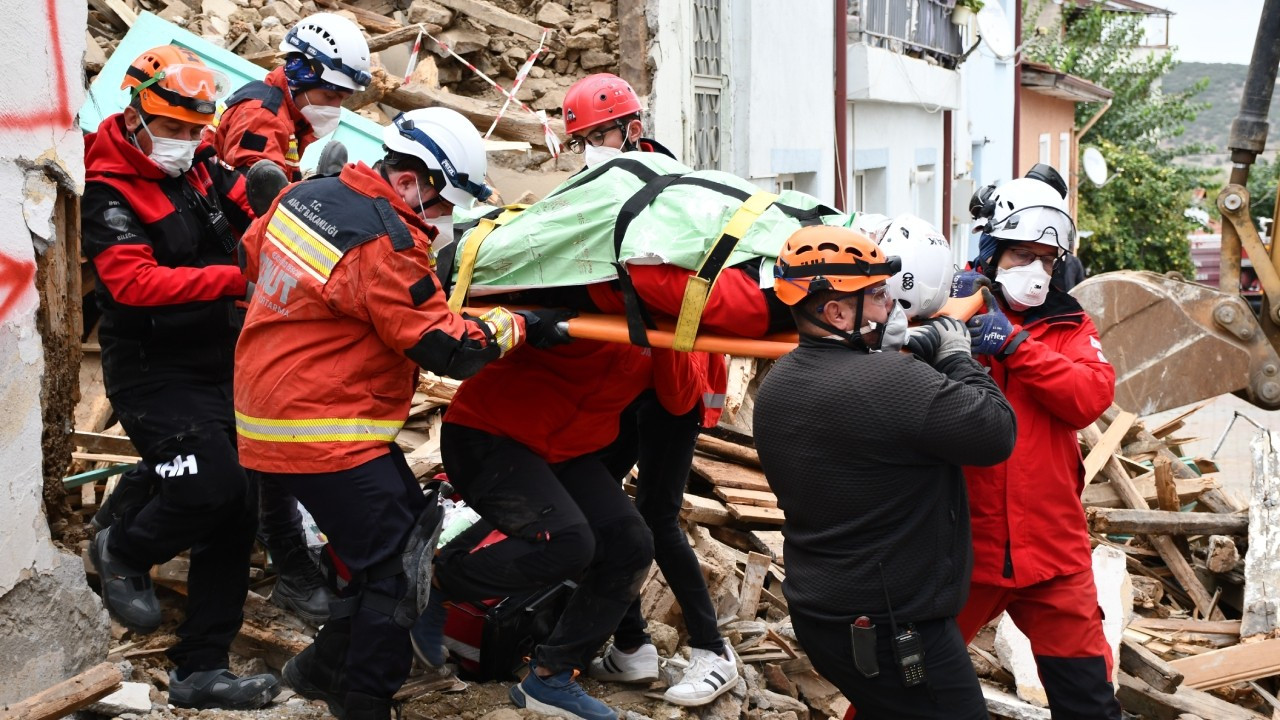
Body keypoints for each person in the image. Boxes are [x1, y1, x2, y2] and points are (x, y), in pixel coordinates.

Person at [234, 107, 565, 720]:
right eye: (443, 208)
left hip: (273, 409)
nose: (440, 223)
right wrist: (518, 325)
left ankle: (324, 665)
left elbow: (252, 260)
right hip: (322, 425)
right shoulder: (387, 241)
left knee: (402, 532)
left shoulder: (307, 195)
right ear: (415, 181)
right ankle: (363, 700)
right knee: (397, 567)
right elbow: (446, 348)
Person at [752, 226, 1017, 720]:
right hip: (896, 629)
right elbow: (995, 431)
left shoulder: (778, 385)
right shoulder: (891, 382)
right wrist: (958, 354)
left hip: (826, 615)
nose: (889, 305)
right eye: (875, 295)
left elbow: (865, 402)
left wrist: (906, 355)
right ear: (834, 311)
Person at [82, 46, 279, 709]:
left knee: (236, 509)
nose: (186, 142)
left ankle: (201, 669)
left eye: (195, 130)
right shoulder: (107, 189)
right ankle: (124, 547)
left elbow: (250, 213)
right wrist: (240, 281)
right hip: (154, 370)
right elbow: (132, 283)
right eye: (172, 129)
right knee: (211, 485)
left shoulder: (198, 166)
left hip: (222, 360)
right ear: (135, 116)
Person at [551, 72, 741, 706]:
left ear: (632, 128)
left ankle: (714, 652)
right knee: (594, 501)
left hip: (672, 381)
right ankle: (631, 645)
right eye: (584, 140)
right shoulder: (600, 188)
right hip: (627, 377)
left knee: (655, 515)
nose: (593, 150)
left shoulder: (673, 191)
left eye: (601, 135)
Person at [953, 176, 1122, 720]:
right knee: (902, 690)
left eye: (1047, 260)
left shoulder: (1069, 323)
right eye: (1023, 254)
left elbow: (1088, 396)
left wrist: (1015, 345)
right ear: (992, 252)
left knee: (1090, 702)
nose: (1036, 270)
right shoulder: (950, 311)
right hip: (961, 549)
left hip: (1054, 554)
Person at [210, 12, 370, 234]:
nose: (335, 108)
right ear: (300, 77)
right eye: (329, 96)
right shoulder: (265, 117)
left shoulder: (286, 116)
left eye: (342, 100)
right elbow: (253, 197)